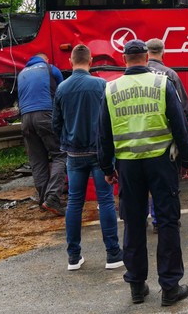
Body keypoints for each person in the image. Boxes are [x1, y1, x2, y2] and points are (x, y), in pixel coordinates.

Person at [98, 39, 188, 307]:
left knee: (133, 223)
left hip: (128, 165)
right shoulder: (161, 84)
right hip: (161, 162)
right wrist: (187, 160)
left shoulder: (111, 88)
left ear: (124, 58)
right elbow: (180, 125)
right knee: (167, 221)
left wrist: (107, 167)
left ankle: (137, 287)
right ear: (146, 57)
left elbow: (103, 133)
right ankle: (170, 287)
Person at [51, 45, 123, 271]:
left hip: (74, 154)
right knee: (105, 201)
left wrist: (67, 140)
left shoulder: (62, 88)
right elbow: (111, 119)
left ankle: (73, 257)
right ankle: (112, 254)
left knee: (74, 202)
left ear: (71, 61)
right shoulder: (101, 85)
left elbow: (56, 123)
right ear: (91, 60)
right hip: (99, 153)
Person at [146, 37, 188, 233]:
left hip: (136, 141)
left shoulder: (136, 74)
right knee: (165, 183)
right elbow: (183, 111)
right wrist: (187, 146)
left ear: (147, 53)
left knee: (142, 185)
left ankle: (143, 219)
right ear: (163, 53)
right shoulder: (170, 74)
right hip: (164, 141)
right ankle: (162, 219)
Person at [17, 52, 65, 216]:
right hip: (45, 115)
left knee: (37, 160)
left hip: (25, 119)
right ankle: (52, 198)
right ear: (46, 59)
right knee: (60, 154)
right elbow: (62, 94)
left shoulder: (21, 74)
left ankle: (44, 200)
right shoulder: (50, 69)